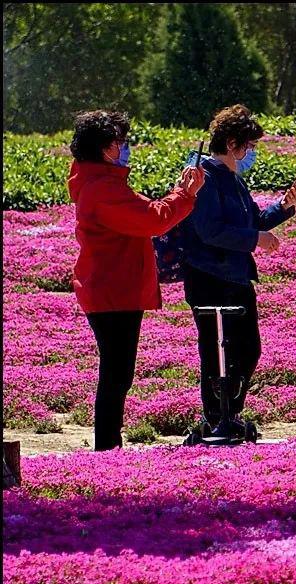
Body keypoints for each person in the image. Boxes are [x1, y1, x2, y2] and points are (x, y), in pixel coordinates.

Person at [68, 109, 205, 451]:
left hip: (114, 288)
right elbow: (151, 219)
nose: (126, 147)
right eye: (121, 141)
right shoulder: (102, 188)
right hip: (113, 290)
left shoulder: (103, 182)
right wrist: (184, 195)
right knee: (116, 373)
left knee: (118, 371)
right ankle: (107, 449)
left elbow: (148, 214)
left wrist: (179, 195)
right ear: (104, 148)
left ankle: (109, 447)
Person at [181, 104, 296, 437]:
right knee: (217, 350)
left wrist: (282, 208)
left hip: (236, 276)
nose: (250, 152)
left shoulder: (233, 179)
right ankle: (214, 418)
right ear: (232, 142)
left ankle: (229, 413)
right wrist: (255, 239)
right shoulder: (204, 176)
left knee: (248, 349)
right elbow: (209, 230)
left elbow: (253, 221)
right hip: (210, 278)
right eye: (247, 145)